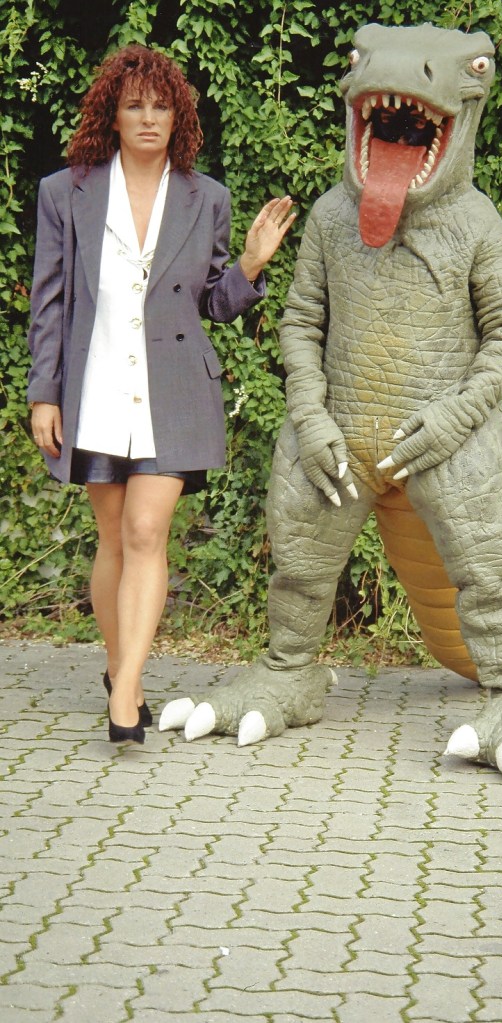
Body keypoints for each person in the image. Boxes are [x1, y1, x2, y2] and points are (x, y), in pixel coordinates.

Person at [27, 44, 295, 745]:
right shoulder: (64, 192)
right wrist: (43, 393)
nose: (148, 117)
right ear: (112, 116)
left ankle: (124, 696)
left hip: (172, 388)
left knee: (147, 531)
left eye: (160, 106)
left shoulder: (208, 198)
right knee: (113, 537)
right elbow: (48, 303)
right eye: (134, 105)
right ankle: (126, 675)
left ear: (178, 118)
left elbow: (213, 304)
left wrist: (249, 266)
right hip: (94, 387)